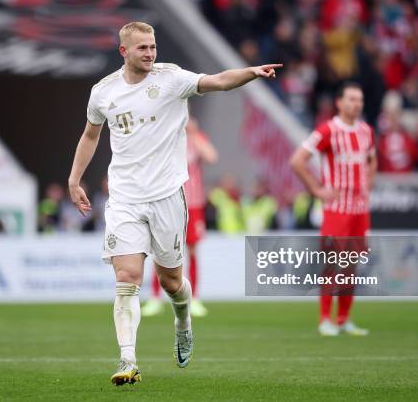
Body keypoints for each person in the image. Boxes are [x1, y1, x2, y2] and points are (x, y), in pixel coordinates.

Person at [67, 21, 281, 385]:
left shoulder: (171, 79)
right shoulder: (103, 92)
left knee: (171, 282)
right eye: (142, 48)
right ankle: (127, 361)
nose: (150, 53)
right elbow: (90, 134)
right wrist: (74, 179)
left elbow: (217, 81)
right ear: (124, 52)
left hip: (167, 196)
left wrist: (250, 73)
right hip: (124, 198)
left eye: (152, 47)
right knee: (127, 277)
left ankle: (183, 321)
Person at [290, 81, 376, 337]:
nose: (356, 104)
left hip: (360, 209)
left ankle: (344, 319)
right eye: (351, 99)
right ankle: (325, 318)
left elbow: (372, 159)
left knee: (352, 265)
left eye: (359, 99)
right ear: (339, 102)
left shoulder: (365, 131)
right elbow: (297, 161)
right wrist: (317, 190)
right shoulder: (327, 130)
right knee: (332, 263)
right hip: (337, 208)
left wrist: (368, 184)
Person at [142, 115, 218, 318]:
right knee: (160, 250)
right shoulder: (166, 135)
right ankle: (155, 298)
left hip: (193, 205)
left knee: (192, 251)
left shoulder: (194, 137)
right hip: (168, 203)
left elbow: (211, 156)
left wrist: (193, 132)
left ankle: (194, 298)